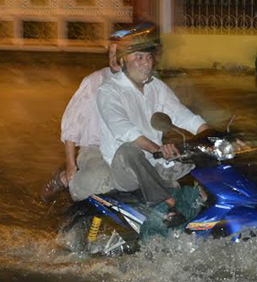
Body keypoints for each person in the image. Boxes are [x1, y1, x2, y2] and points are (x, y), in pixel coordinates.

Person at [96, 22, 209, 227]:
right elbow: (124, 129)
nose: (145, 64)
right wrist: (158, 149)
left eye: (148, 58)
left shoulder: (157, 87)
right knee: (129, 150)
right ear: (122, 61)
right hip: (125, 171)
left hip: (156, 163)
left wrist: (209, 133)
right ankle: (168, 202)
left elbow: (181, 114)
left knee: (201, 159)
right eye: (138, 57)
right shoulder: (108, 91)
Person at [42, 41, 122, 202]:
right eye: (111, 54)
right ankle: (68, 179)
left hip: (124, 150)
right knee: (103, 180)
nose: (114, 59)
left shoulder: (140, 84)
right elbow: (73, 124)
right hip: (94, 149)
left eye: (118, 54)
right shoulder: (95, 81)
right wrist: (70, 164)